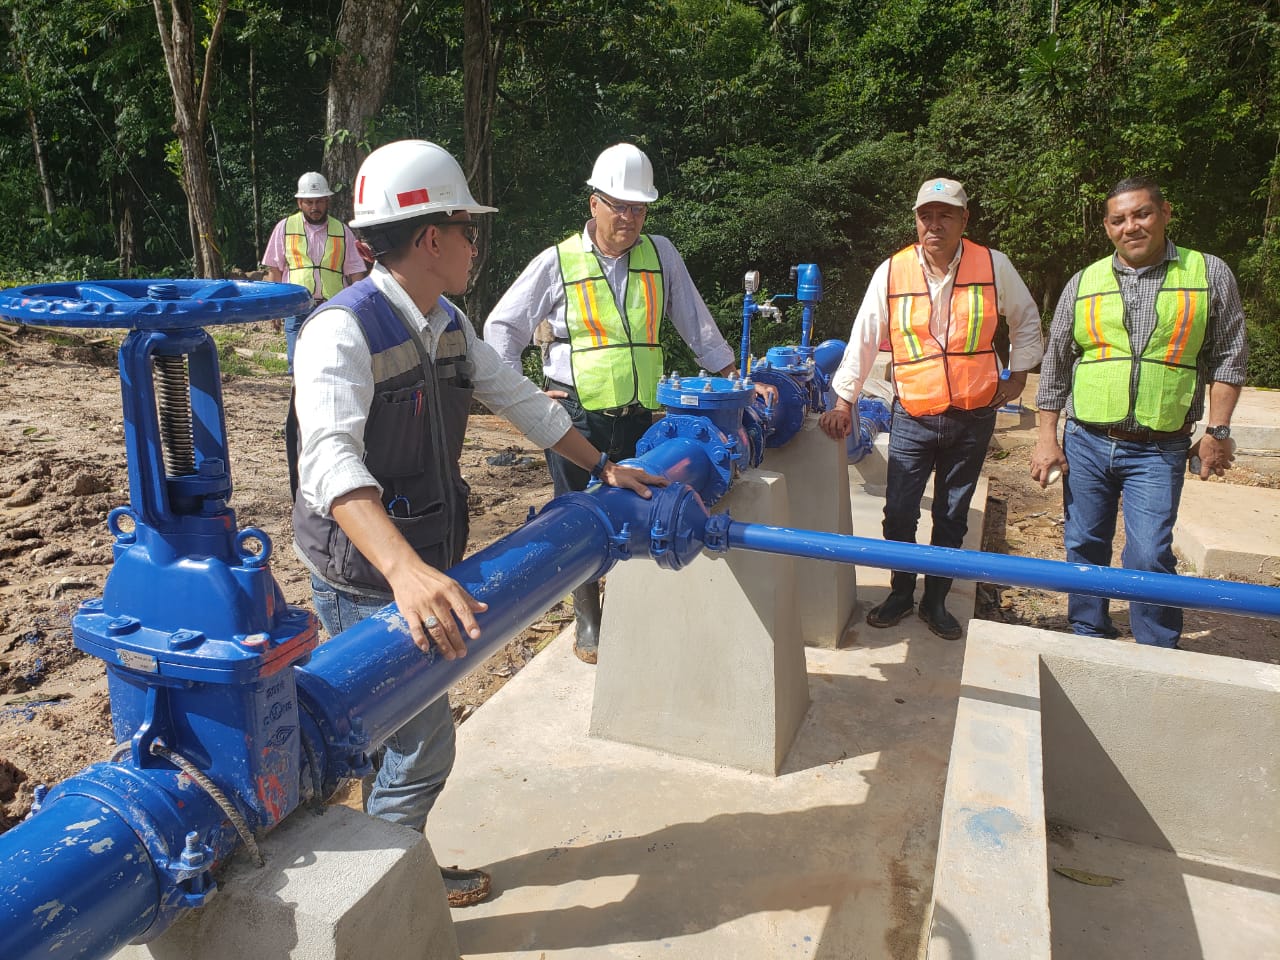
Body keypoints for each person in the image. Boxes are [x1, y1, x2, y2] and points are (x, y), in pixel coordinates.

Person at [289, 139, 666, 906]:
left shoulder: (446, 320)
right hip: (369, 574)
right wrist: (404, 572)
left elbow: (522, 401)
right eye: (468, 230)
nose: (474, 245)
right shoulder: (340, 330)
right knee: (415, 746)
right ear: (431, 237)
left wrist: (601, 467)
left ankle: (388, 867)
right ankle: (385, 895)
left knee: (400, 737)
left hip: (420, 560)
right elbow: (328, 462)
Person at [484, 142, 768, 663]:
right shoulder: (558, 261)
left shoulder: (660, 255)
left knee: (639, 510)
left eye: (639, 208)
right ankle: (588, 619)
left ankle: (632, 609)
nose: (630, 218)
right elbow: (502, 327)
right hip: (575, 417)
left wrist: (730, 372)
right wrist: (520, 394)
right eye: (620, 205)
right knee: (577, 517)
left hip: (638, 417)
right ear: (594, 202)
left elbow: (694, 320)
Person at [819, 177, 1043, 639]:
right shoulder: (892, 271)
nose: (934, 224)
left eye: (945, 215)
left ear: (964, 220)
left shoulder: (993, 265)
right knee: (900, 510)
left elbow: (1026, 319)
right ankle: (902, 591)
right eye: (926, 215)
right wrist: (845, 398)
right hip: (913, 415)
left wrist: (1019, 374)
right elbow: (864, 335)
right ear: (916, 221)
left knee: (953, 513)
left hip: (973, 414)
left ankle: (936, 599)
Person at [1031, 176, 1248, 649]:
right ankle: (1087, 631)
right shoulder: (1084, 281)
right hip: (1086, 440)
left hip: (1159, 446)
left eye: (1141, 214)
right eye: (1119, 219)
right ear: (1107, 228)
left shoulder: (1207, 273)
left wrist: (1217, 430)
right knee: (1085, 545)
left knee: (1149, 554)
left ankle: (1157, 645)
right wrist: (1047, 437)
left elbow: (1230, 354)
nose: (1131, 226)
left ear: (1165, 213)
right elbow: (1057, 363)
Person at [262, 171, 368, 369]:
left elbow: (356, 273)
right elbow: (274, 270)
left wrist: (360, 308)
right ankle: (298, 399)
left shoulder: (342, 230)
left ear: (327, 201)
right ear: (299, 203)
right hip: (295, 306)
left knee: (333, 362)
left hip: (333, 306)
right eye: (309, 202)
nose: (314, 207)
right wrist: (274, 309)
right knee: (298, 364)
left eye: (319, 202)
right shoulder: (285, 228)